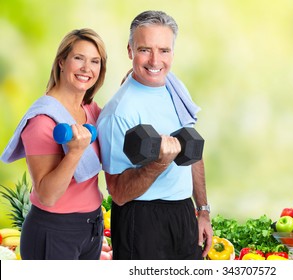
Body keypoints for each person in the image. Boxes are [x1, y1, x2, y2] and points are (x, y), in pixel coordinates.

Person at [96, 10, 213, 260]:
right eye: (144, 49)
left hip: (183, 212)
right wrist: (158, 164)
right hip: (141, 221)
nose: (155, 60)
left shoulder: (175, 90)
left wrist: (202, 211)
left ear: (173, 52)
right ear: (130, 51)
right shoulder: (118, 113)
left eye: (164, 50)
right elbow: (118, 193)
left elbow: (193, 153)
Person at [0, 28, 107, 259]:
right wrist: (74, 153)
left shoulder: (91, 110)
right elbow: (47, 195)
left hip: (92, 228)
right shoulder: (42, 121)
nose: (87, 68)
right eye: (79, 58)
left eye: (95, 61)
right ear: (61, 62)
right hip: (54, 231)